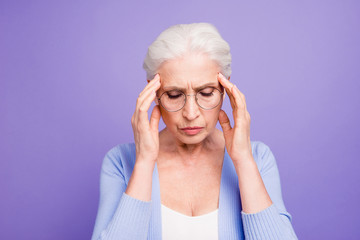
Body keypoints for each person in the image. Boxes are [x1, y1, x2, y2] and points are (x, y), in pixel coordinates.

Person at [91, 23, 298, 240]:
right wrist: (144, 162)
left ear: (225, 91)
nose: (191, 113)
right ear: (152, 92)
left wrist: (243, 161)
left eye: (207, 93)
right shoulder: (120, 162)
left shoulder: (258, 158)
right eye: (173, 95)